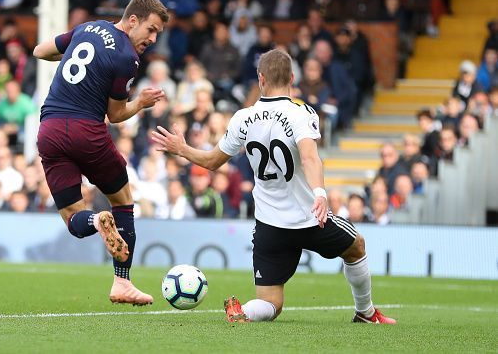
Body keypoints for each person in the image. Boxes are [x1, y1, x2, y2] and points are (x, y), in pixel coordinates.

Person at [151, 49, 396, 324]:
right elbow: (310, 157)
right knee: (356, 246)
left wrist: (183, 149)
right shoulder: (300, 113)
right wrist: (320, 193)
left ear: (260, 78)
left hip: (269, 224)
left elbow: (211, 161)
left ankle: (243, 311)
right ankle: (365, 312)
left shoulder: (242, 118)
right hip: (310, 218)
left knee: (271, 304)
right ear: (292, 78)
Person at [33, 0, 169, 306]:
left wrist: (74, 57)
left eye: (157, 33)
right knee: (123, 201)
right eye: (150, 30)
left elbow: (40, 51)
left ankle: (96, 222)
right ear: (132, 20)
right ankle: (122, 282)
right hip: (86, 131)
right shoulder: (126, 57)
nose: (152, 38)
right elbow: (116, 115)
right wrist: (142, 103)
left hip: (50, 129)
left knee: (73, 218)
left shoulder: (86, 28)